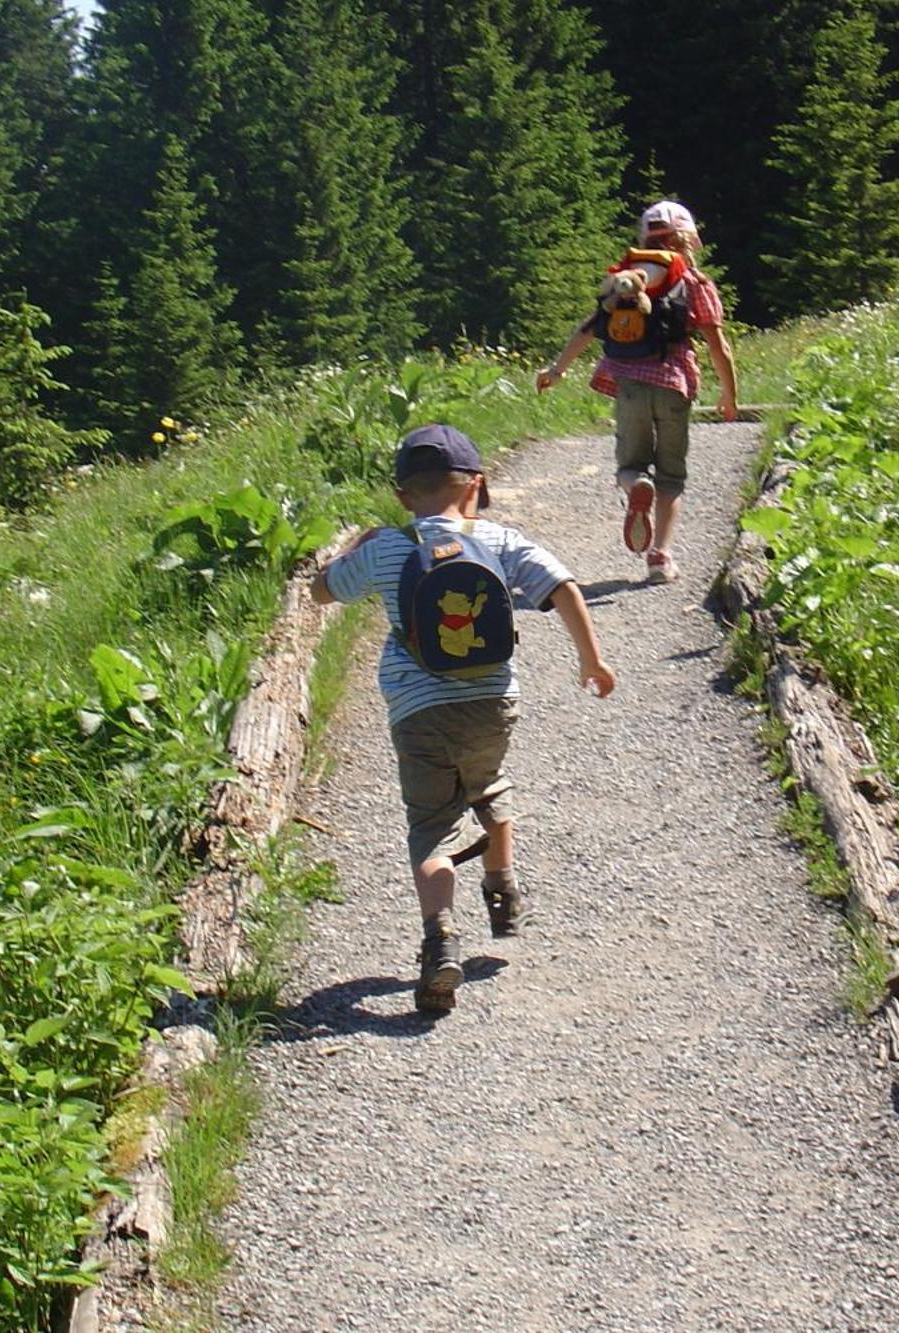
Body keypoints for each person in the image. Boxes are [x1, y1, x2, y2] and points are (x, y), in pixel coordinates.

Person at [310, 423, 617, 1015]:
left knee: (430, 827)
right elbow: (563, 587)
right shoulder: (499, 539)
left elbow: (325, 592)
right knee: (489, 783)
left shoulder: (388, 547)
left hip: (418, 712)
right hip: (493, 704)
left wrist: (355, 551)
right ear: (475, 485)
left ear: (402, 495)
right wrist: (592, 659)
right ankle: (501, 888)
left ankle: (440, 939)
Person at [535, 199, 739, 585]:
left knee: (630, 465)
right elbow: (718, 345)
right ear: (691, 240)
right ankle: (660, 558)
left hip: (628, 385)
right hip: (675, 386)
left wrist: (557, 369)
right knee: (672, 475)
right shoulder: (695, 283)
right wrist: (729, 396)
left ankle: (635, 486)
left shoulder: (622, 283)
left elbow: (590, 327)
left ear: (645, 238)